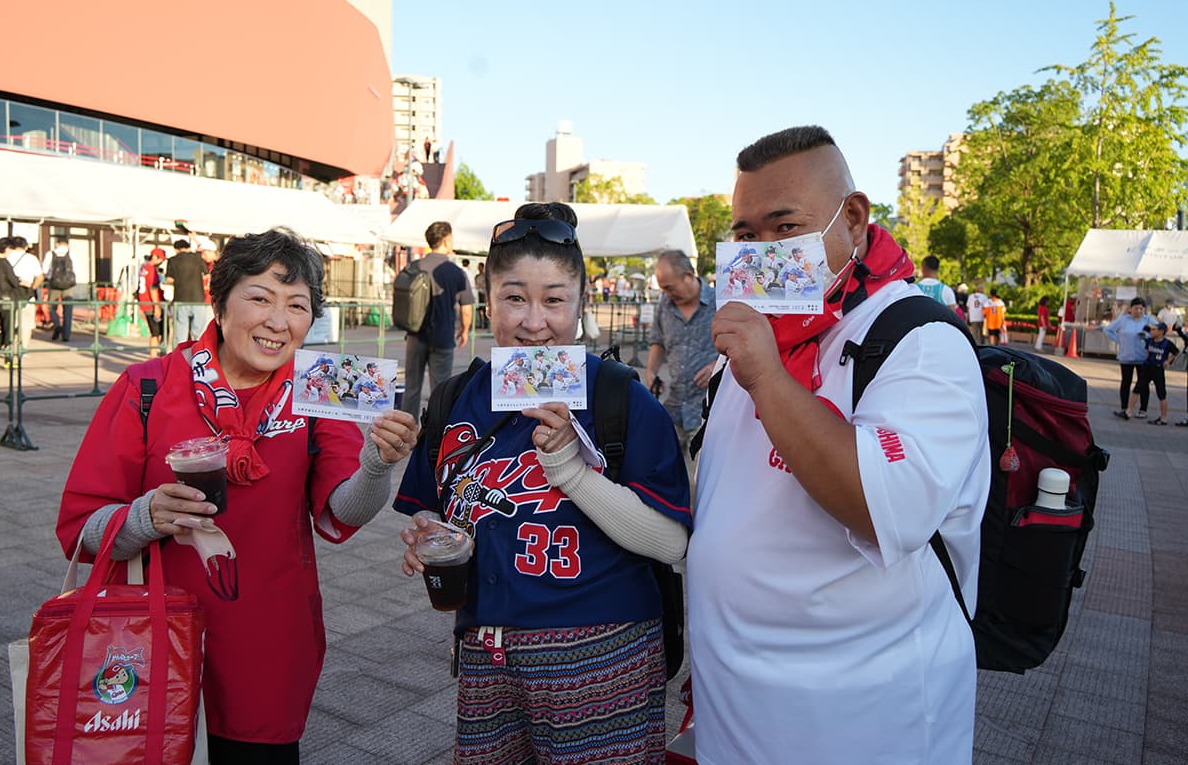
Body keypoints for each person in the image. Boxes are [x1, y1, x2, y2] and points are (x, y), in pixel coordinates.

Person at [57, 228, 419, 762]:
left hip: (268, 642)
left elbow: (343, 512)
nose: (278, 321)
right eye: (260, 298)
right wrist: (145, 515)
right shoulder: (147, 386)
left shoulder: (322, 388)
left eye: (298, 305)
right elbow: (80, 529)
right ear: (219, 302)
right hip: (148, 633)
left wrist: (376, 464)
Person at [689, 125, 988, 764]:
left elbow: (886, 506)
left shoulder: (919, 339)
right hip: (735, 715)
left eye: (784, 227)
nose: (762, 250)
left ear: (852, 219)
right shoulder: (758, 334)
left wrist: (766, 376)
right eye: (745, 235)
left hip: (866, 723)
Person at [394, 202, 691, 764]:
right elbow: (436, 511)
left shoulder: (618, 398)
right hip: (485, 653)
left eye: (554, 299)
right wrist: (432, 535)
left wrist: (571, 471)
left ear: (580, 304)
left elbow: (671, 542)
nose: (534, 322)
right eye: (514, 297)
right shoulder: (456, 399)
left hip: (604, 655)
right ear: (486, 299)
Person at [646, 249, 717, 483]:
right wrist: (650, 370)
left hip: (707, 410)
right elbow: (658, 340)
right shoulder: (664, 305)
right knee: (665, 472)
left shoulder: (720, 302)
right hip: (674, 405)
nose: (666, 294)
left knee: (703, 478)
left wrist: (719, 365)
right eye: (663, 288)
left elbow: (741, 343)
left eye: (669, 287)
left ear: (688, 275)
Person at [401, 221, 474, 416]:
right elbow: (466, 308)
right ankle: (435, 433)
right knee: (440, 389)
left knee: (412, 387)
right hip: (443, 337)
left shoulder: (414, 267)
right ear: (446, 240)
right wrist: (464, 330)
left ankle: (408, 429)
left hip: (415, 336)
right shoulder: (456, 272)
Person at [1104, 297, 1156, 419]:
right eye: (1136, 308)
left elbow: (1159, 331)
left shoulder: (1148, 320)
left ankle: (1143, 410)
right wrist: (1120, 340)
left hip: (1143, 357)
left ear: (1144, 309)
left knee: (1143, 383)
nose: (1138, 311)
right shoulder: (1124, 320)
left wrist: (1147, 336)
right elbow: (1108, 330)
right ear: (1130, 309)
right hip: (1126, 356)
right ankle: (1124, 408)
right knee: (1126, 382)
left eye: (1141, 308)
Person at [1125, 322, 1178, 425]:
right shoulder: (1150, 341)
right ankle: (1129, 411)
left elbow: (1176, 352)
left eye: (1154, 330)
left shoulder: (1167, 343)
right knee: (1137, 389)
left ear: (1161, 332)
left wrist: (1168, 361)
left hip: (1158, 369)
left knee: (1161, 393)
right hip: (1147, 368)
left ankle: (1163, 417)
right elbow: (1147, 350)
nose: (1151, 332)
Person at [164, 238, 212, 343]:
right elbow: (206, 275)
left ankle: (179, 358)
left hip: (180, 299)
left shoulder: (173, 260)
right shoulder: (198, 258)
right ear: (188, 247)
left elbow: (170, 279)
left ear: (176, 249)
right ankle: (200, 356)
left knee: (180, 335)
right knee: (199, 334)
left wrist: (166, 283)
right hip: (198, 299)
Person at [6, 236, 43, 349]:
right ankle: (23, 347)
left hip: (8, 293)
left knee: (9, 322)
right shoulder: (32, 258)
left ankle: (8, 346)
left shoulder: (6, 257)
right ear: (26, 247)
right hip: (26, 294)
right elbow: (40, 277)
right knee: (26, 324)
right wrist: (32, 287)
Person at [41, 237, 75, 341]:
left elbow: (45, 269)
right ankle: (66, 335)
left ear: (57, 244)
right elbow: (77, 270)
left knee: (52, 307)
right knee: (68, 310)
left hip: (54, 284)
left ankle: (57, 325)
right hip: (68, 285)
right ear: (67, 245)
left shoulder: (50, 254)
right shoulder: (72, 254)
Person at [137, 248, 167, 358]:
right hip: (151, 304)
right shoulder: (151, 269)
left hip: (145, 303)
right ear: (155, 257)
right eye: (161, 260)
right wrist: (157, 306)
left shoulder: (144, 268)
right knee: (157, 332)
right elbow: (153, 288)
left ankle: (154, 355)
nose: (162, 262)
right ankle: (154, 356)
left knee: (155, 332)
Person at [474, 260, 488, 328]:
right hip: (478, 294)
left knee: (484, 309)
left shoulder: (485, 276)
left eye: (480, 267)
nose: (479, 268)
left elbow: (486, 285)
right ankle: (479, 323)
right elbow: (476, 285)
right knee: (479, 309)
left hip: (484, 294)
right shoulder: (477, 276)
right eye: (478, 267)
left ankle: (486, 324)